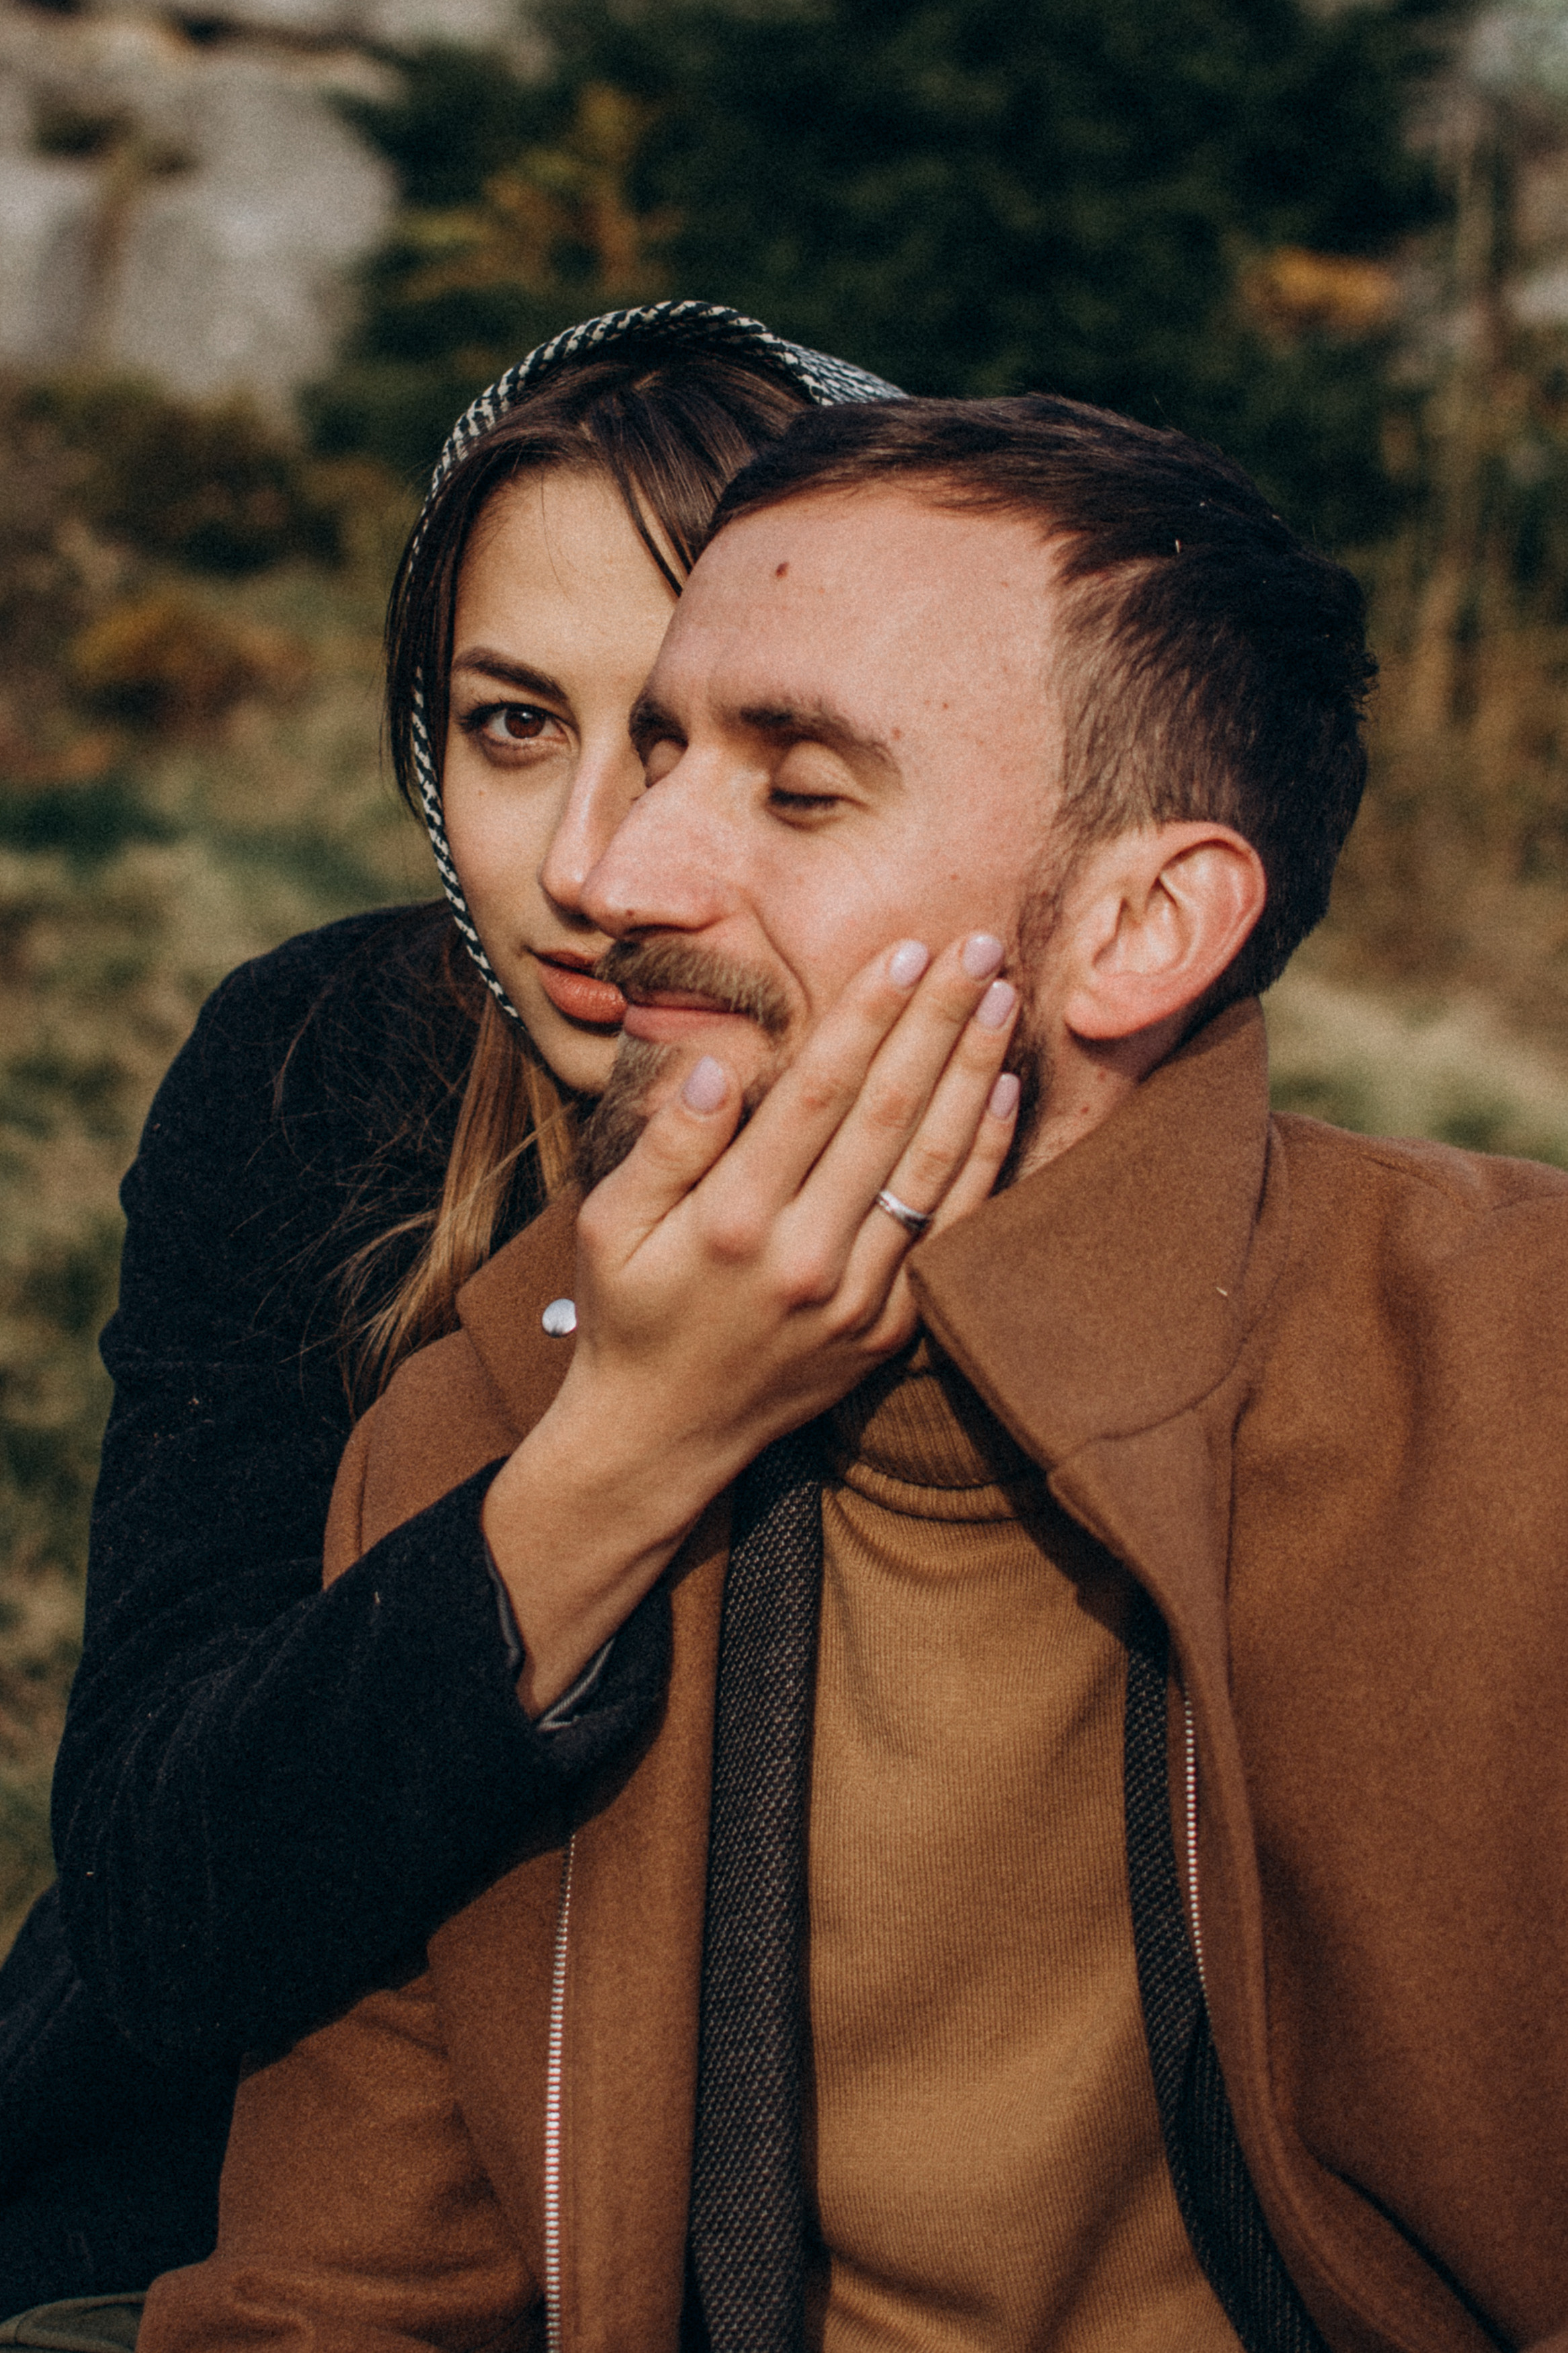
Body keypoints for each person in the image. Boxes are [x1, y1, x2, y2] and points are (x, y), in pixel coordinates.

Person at [138, 390, 1568, 2353]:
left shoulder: (1520, 1367)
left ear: (1144, 925)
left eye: (799, 790)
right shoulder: (479, 1422)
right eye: (654, 752)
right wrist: (614, 1444)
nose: (615, 874)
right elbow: (324, 2298)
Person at [0, 302, 964, 2321]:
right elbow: (167, 1913)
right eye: (518, 724)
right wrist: (635, 1441)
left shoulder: (1053, 1151)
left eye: (739, 742)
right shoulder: (335, 1068)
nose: (605, 867)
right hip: (195, 2215)